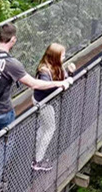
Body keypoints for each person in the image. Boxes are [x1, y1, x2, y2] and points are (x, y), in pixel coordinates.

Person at [0, 24, 71, 191]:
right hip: (2, 111)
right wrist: (61, 83)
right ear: (12, 40)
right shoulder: (11, 63)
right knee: (6, 144)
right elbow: (33, 84)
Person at [32, 43, 76, 172]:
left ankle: (37, 155)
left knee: (44, 127)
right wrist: (61, 85)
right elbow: (46, 87)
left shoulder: (55, 66)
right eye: (62, 55)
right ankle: (38, 161)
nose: (64, 57)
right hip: (43, 103)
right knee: (50, 128)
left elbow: (64, 79)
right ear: (55, 56)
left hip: (44, 102)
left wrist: (70, 73)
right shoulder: (44, 71)